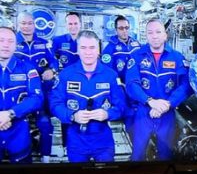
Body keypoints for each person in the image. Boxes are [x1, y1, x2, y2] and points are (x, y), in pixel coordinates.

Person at [49, 30, 125, 163]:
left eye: (92, 47)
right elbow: (55, 104)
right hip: (76, 141)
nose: (88, 52)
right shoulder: (66, 75)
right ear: (77, 50)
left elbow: (121, 106)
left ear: (99, 50)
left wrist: (107, 114)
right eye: (83, 47)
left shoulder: (110, 75)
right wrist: (72, 115)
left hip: (103, 141)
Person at [124, 18, 191, 161]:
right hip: (143, 112)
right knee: (137, 155)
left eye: (158, 32)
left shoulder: (177, 57)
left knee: (166, 156)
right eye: (150, 32)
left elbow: (185, 85)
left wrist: (168, 104)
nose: (154, 36)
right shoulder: (136, 56)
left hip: (167, 113)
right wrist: (150, 102)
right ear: (146, 35)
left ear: (165, 35)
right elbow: (131, 84)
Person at [15, 11, 57, 162]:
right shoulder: (12, 43)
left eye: (29, 23)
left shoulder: (44, 42)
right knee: (18, 126)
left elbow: (54, 61)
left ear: (34, 24)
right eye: (23, 23)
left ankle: (45, 156)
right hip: (17, 92)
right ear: (17, 25)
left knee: (45, 123)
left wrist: (51, 70)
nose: (26, 27)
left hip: (40, 91)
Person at [0, 26, 43, 163]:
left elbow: (37, 98)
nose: (6, 45)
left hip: (19, 134)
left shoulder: (27, 68)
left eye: (10, 41)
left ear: (15, 44)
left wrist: (10, 114)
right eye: (1, 40)